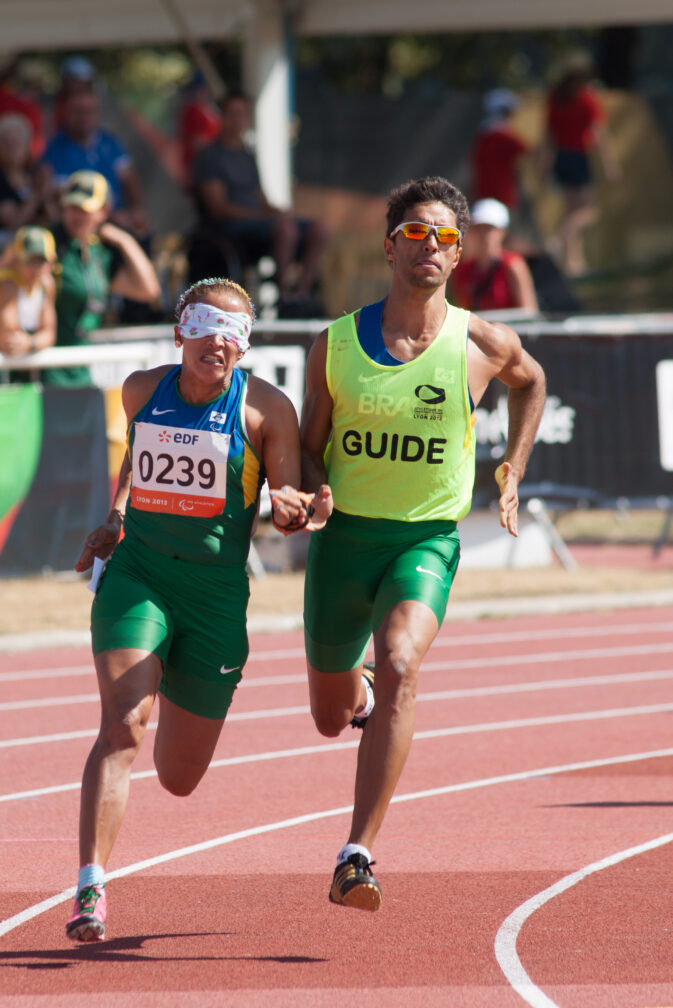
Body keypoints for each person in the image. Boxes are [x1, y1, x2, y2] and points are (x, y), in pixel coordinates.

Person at [298, 175, 546, 911]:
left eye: (444, 237)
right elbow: (310, 447)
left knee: (402, 658)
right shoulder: (334, 344)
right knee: (328, 714)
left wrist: (511, 469)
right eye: (415, 233)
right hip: (343, 544)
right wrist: (314, 488)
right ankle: (360, 690)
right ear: (388, 246)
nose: (429, 247)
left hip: (425, 540)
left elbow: (530, 382)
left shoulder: (481, 340)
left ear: (459, 252)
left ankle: (356, 853)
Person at [66, 276, 331, 942]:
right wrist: (114, 518)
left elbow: (286, 494)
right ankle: (90, 886)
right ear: (181, 327)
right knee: (124, 723)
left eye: (235, 329)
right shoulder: (140, 389)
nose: (219, 339)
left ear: (245, 345)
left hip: (214, 598)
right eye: (207, 322)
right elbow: (134, 459)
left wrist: (288, 509)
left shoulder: (264, 410)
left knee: (180, 778)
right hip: (138, 576)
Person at [191, 91, 328, 305]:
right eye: (233, 114)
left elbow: (260, 197)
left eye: (243, 114)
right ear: (222, 117)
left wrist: (277, 211)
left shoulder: (247, 155)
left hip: (259, 224)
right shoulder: (209, 156)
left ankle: (302, 294)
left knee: (318, 229)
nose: (239, 120)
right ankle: (284, 297)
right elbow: (218, 208)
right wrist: (263, 215)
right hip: (229, 229)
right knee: (285, 229)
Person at [45, 169, 160, 387]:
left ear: (104, 211)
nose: (76, 215)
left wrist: (124, 240)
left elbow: (148, 290)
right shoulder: (48, 245)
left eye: (84, 208)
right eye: (71, 207)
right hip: (44, 368)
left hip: (82, 369)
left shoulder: (100, 254)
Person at [542, 52, 620, 275]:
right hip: (576, 157)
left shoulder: (556, 97)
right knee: (588, 211)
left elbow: (549, 135)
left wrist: (545, 166)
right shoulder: (586, 98)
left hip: (561, 158)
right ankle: (561, 239)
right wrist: (610, 165)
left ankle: (575, 262)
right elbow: (599, 134)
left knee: (572, 210)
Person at [42, 90, 148, 237]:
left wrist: (135, 210)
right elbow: (52, 197)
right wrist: (107, 217)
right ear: (67, 113)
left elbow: (130, 178)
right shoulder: (53, 150)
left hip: (117, 220)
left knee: (143, 234)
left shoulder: (110, 143)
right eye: (78, 111)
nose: (84, 117)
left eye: (89, 111)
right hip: (79, 227)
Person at [450, 198, 538, 314]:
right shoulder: (462, 269)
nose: (483, 235)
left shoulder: (513, 265)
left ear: (502, 232)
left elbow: (529, 312)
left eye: (489, 229)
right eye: (478, 229)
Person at [0, 226, 57, 365]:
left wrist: (30, 343)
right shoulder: (8, 284)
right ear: (17, 261)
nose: (36, 268)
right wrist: (36, 342)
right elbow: (9, 341)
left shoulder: (47, 285)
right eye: (30, 260)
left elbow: (50, 335)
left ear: (51, 263)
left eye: (41, 260)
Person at [0, 114, 58, 251]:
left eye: (16, 144)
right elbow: (14, 223)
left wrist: (47, 193)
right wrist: (38, 194)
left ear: (27, 146)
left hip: (39, 243)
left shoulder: (35, 175)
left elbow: (54, 218)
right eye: (7, 144)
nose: (12, 150)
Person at [470, 88, 529, 212]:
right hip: (500, 189)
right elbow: (525, 149)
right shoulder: (501, 134)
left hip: (485, 187)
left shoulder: (485, 132)